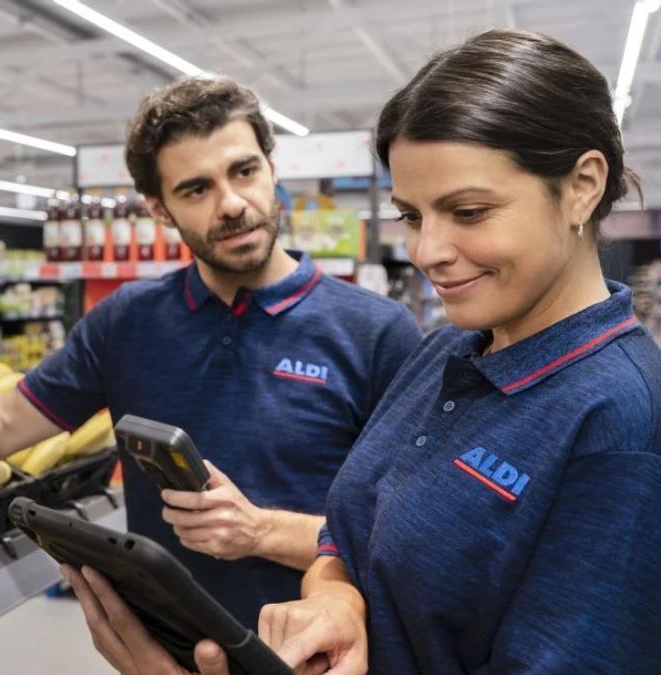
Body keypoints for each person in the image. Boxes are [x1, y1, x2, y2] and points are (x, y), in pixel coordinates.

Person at [64, 28, 661, 675]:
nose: (426, 250)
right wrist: (336, 603)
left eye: (466, 211)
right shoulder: (446, 354)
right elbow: (350, 535)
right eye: (411, 215)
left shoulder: (620, 422)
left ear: (582, 185)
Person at [0, 76, 421, 625]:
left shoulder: (377, 332)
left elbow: (407, 536)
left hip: (313, 655)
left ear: (272, 168)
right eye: (195, 189)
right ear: (159, 209)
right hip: (161, 652)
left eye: (244, 171)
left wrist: (260, 532)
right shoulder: (127, 323)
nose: (232, 204)